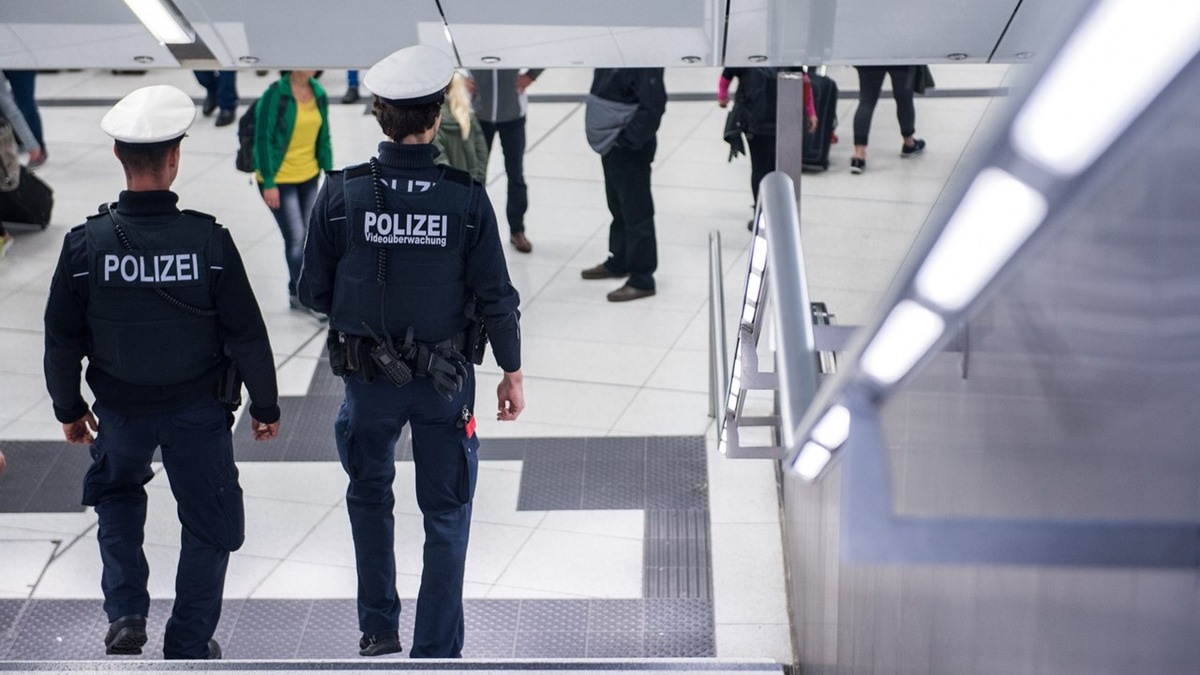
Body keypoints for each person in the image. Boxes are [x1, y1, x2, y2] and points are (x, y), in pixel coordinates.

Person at [298, 44, 524, 658]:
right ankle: (435, 652)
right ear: (435, 117)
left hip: (366, 384)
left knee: (368, 495)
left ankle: (378, 630)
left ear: (378, 114)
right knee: (446, 514)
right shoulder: (466, 197)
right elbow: (496, 297)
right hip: (445, 386)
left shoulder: (341, 193)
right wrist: (511, 370)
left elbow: (311, 289)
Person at [42, 85, 281, 660]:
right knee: (210, 521)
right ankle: (188, 643)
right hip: (197, 415)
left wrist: (70, 409)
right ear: (174, 159)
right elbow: (246, 333)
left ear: (119, 157)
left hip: (119, 414)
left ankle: (126, 613)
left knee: (118, 497)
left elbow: (60, 338)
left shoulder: (85, 246)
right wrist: (266, 407)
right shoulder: (210, 242)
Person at [580, 67, 666, 302]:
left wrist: (626, 140)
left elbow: (654, 105)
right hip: (613, 143)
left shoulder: (644, 57)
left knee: (637, 211)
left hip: (629, 146)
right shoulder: (615, 51)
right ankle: (620, 260)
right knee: (617, 204)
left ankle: (642, 278)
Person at [252, 70, 333, 316]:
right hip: (279, 179)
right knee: (296, 238)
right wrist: (268, 182)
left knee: (310, 238)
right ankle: (305, 296)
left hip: (308, 175)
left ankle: (295, 289)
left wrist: (331, 175)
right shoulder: (274, 96)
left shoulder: (318, 93)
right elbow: (262, 140)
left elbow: (325, 136)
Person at [717, 67, 816, 224]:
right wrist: (810, 111)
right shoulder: (787, 51)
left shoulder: (747, 51)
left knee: (759, 168)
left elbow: (726, 75)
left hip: (754, 119)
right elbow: (804, 81)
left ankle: (761, 213)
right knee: (776, 168)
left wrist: (722, 96)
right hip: (784, 118)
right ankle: (778, 212)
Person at [468, 68, 543, 253]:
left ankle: (517, 230)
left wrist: (532, 75)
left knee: (515, 173)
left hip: (513, 115)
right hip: (478, 114)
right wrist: (455, 78)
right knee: (475, 177)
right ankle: (472, 231)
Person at [849, 65, 925, 174]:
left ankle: (859, 155)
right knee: (904, 99)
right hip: (902, 54)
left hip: (871, 55)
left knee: (866, 101)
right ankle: (909, 143)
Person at [433, 72, 489, 183]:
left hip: (451, 187)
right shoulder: (468, 116)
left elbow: (439, 158)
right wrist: (478, 182)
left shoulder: (434, 120)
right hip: (472, 183)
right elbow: (482, 151)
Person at [2, 72, 46, 168]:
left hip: (21, 63)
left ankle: (36, 148)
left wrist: (30, 143)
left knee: (25, 105)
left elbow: (9, 108)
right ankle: (22, 142)